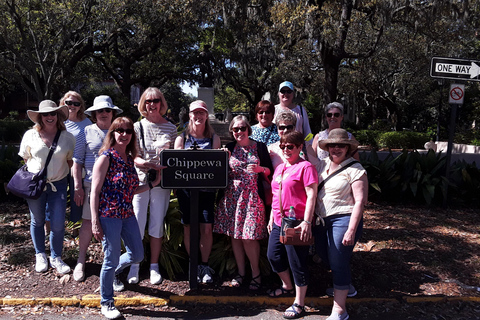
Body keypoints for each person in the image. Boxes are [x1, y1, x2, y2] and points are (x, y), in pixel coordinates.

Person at [90, 117, 162, 320]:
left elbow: (131, 190)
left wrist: (153, 184)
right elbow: (94, 192)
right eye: (119, 130)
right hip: (108, 216)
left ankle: (110, 273)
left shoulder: (130, 159)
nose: (124, 134)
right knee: (110, 258)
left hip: (127, 214)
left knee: (137, 255)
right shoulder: (106, 157)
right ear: (112, 133)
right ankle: (107, 302)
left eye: (128, 131)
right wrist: (95, 220)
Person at [313, 128, 368, 320]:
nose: (336, 148)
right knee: (324, 255)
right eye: (333, 145)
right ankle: (345, 286)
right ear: (327, 147)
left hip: (343, 219)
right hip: (321, 220)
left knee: (337, 261)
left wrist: (351, 230)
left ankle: (340, 310)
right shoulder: (322, 164)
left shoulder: (356, 169)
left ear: (347, 148)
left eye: (341, 145)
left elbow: (360, 202)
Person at [214, 115, 273, 290]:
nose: (239, 132)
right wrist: (223, 157)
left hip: (253, 198)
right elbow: (220, 171)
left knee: (249, 237)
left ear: (248, 129)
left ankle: (256, 274)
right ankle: (240, 273)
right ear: (232, 132)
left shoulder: (259, 147)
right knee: (235, 237)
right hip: (232, 197)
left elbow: (270, 170)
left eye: (242, 128)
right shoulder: (230, 147)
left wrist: (259, 169)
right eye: (235, 129)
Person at [128, 87, 177, 286]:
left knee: (157, 224)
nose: (152, 104)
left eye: (156, 100)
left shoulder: (171, 128)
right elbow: (133, 155)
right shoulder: (137, 126)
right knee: (137, 225)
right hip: (141, 180)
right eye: (148, 101)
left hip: (162, 183)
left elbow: (175, 156)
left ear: (161, 102)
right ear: (143, 104)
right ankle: (134, 266)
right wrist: (144, 164)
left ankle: (154, 266)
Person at [19, 100, 75, 274]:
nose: (49, 117)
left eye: (53, 114)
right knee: (37, 220)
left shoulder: (67, 138)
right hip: (35, 184)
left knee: (58, 223)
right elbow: (25, 158)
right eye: (45, 114)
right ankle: (40, 254)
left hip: (57, 184)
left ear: (58, 116)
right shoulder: (30, 135)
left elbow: (70, 162)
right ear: (40, 117)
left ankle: (56, 257)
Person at [267, 131, 318, 319]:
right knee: (273, 256)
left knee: (297, 262)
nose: (286, 150)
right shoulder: (280, 168)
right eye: (283, 146)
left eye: (290, 146)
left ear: (299, 147)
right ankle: (287, 286)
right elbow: (276, 194)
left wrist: (306, 221)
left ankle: (299, 302)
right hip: (279, 221)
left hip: (296, 223)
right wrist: (272, 215)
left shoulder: (306, 167)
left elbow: (312, 195)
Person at [71, 95, 122, 282]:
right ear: (94, 114)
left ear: (112, 113)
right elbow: (76, 162)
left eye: (107, 110)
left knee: (111, 228)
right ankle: (81, 261)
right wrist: (77, 186)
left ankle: (110, 269)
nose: (103, 113)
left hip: (114, 188)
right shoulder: (85, 132)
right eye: (100, 110)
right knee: (87, 223)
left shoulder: (120, 132)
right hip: (90, 185)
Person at [174, 100, 221, 284]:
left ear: (206, 115)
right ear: (190, 115)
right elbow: (176, 166)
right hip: (187, 192)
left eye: (202, 113)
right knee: (188, 227)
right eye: (195, 113)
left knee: (206, 228)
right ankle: (193, 264)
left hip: (207, 191)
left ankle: (204, 264)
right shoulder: (181, 139)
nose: (198, 116)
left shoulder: (213, 138)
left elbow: (217, 167)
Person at [61, 91, 92, 224]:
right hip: (60, 165)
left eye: (76, 103)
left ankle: (75, 229)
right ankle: (51, 229)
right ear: (63, 103)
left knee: (77, 198)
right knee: (57, 198)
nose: (72, 106)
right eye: (69, 103)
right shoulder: (58, 121)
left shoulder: (87, 122)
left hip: (78, 166)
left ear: (81, 106)